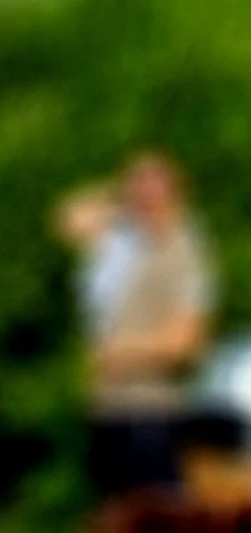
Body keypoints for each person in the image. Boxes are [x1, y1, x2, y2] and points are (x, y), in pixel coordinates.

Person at [54, 154, 217, 501]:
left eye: (153, 189)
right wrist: (120, 192)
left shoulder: (186, 251)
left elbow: (185, 343)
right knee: (115, 524)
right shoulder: (125, 243)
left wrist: (119, 353)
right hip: (110, 407)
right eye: (138, 188)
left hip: (152, 411)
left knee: (155, 525)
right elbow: (69, 219)